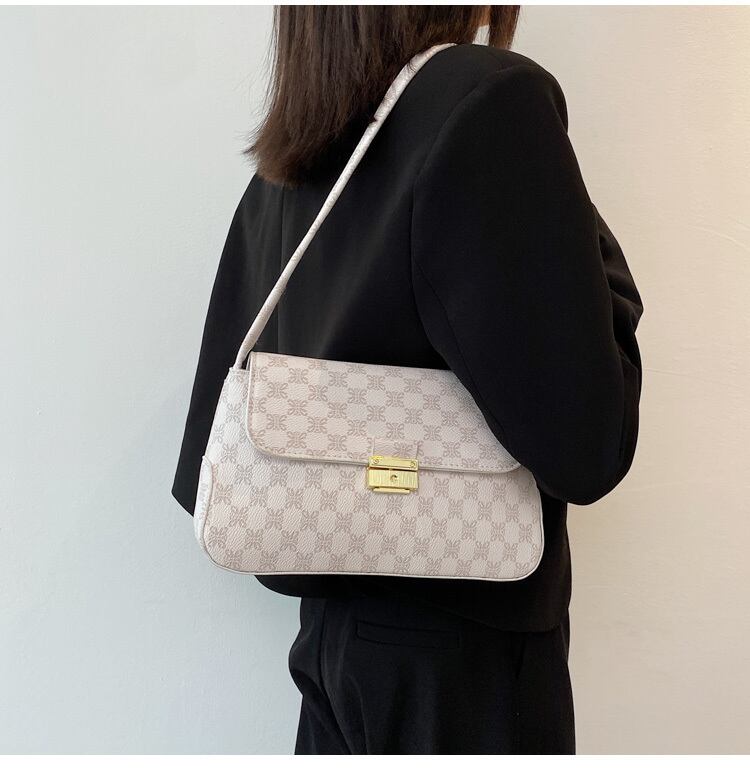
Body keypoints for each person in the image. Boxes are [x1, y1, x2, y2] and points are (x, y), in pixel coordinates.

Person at [172, 6, 643, 755]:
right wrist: (601, 272)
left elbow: (209, 448)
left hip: (331, 650)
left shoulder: (297, 153)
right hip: (462, 665)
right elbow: (588, 444)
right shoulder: (489, 101)